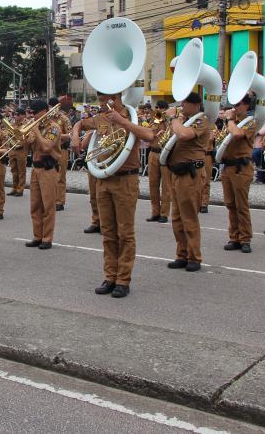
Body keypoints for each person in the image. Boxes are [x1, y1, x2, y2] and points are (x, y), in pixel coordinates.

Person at [72, 91, 155, 298]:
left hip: (125, 179)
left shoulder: (131, 116)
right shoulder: (100, 117)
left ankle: (123, 280)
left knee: (125, 233)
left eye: (104, 99)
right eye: (99, 100)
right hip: (103, 179)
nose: (101, 104)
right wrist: (75, 134)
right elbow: (81, 125)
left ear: (116, 98)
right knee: (108, 232)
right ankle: (109, 276)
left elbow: (149, 136)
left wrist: (122, 122)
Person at [164, 92, 211, 272]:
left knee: (189, 216)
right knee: (176, 217)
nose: (182, 105)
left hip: (191, 173)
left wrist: (174, 118)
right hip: (176, 172)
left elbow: (183, 135)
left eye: (185, 103)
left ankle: (194, 257)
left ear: (196, 104)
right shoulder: (184, 120)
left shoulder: (202, 120)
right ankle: (181, 254)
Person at [220, 94, 257, 254]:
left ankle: (245, 238)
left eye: (239, 104)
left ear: (247, 106)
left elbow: (237, 134)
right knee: (230, 204)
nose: (235, 107)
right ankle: (234, 237)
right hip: (228, 167)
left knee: (241, 205)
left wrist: (229, 120)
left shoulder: (250, 122)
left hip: (241, 168)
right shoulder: (232, 122)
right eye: (234, 103)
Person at [24, 100, 62, 250]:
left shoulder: (54, 128)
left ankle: (47, 238)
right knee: (35, 206)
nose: (32, 116)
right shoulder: (36, 127)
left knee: (48, 206)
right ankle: (37, 236)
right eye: (31, 113)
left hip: (48, 169)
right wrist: (24, 135)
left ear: (44, 111)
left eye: (35, 113)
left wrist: (36, 131)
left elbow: (46, 146)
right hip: (35, 169)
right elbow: (26, 148)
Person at [146, 100, 170, 223]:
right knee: (153, 184)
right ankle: (155, 212)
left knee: (166, 186)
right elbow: (149, 131)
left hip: (165, 153)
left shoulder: (171, 120)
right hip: (153, 152)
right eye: (157, 108)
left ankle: (164, 213)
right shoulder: (156, 119)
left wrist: (165, 130)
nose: (158, 110)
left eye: (160, 108)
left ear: (165, 109)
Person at [6, 108, 27, 196]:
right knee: (13, 170)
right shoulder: (13, 124)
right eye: (15, 114)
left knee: (21, 170)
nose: (15, 116)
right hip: (12, 150)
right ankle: (14, 188)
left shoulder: (26, 125)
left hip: (21, 150)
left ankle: (20, 189)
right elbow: (9, 135)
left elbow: (26, 138)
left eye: (17, 115)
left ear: (23, 115)